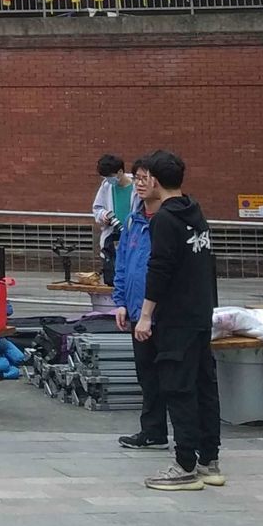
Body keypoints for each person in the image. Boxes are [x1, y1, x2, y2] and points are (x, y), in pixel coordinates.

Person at [133, 149, 223, 491]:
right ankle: (209, 460)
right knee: (205, 386)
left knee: (178, 387)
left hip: (177, 319)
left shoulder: (165, 220)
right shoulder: (195, 213)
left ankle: (185, 464)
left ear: (155, 180)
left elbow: (159, 269)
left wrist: (145, 316)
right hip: (200, 313)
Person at [112, 158, 168, 452]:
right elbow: (123, 263)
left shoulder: (167, 222)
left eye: (146, 178)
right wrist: (120, 301)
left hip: (165, 314)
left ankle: (189, 436)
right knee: (146, 374)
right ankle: (153, 430)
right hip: (136, 310)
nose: (140, 184)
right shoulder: (134, 221)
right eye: (138, 179)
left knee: (173, 376)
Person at [91, 154, 132, 286]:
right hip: (113, 238)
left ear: (120, 171)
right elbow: (97, 208)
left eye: (110, 176)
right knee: (112, 275)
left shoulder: (137, 187)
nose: (108, 180)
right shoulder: (106, 186)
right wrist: (103, 215)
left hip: (132, 236)